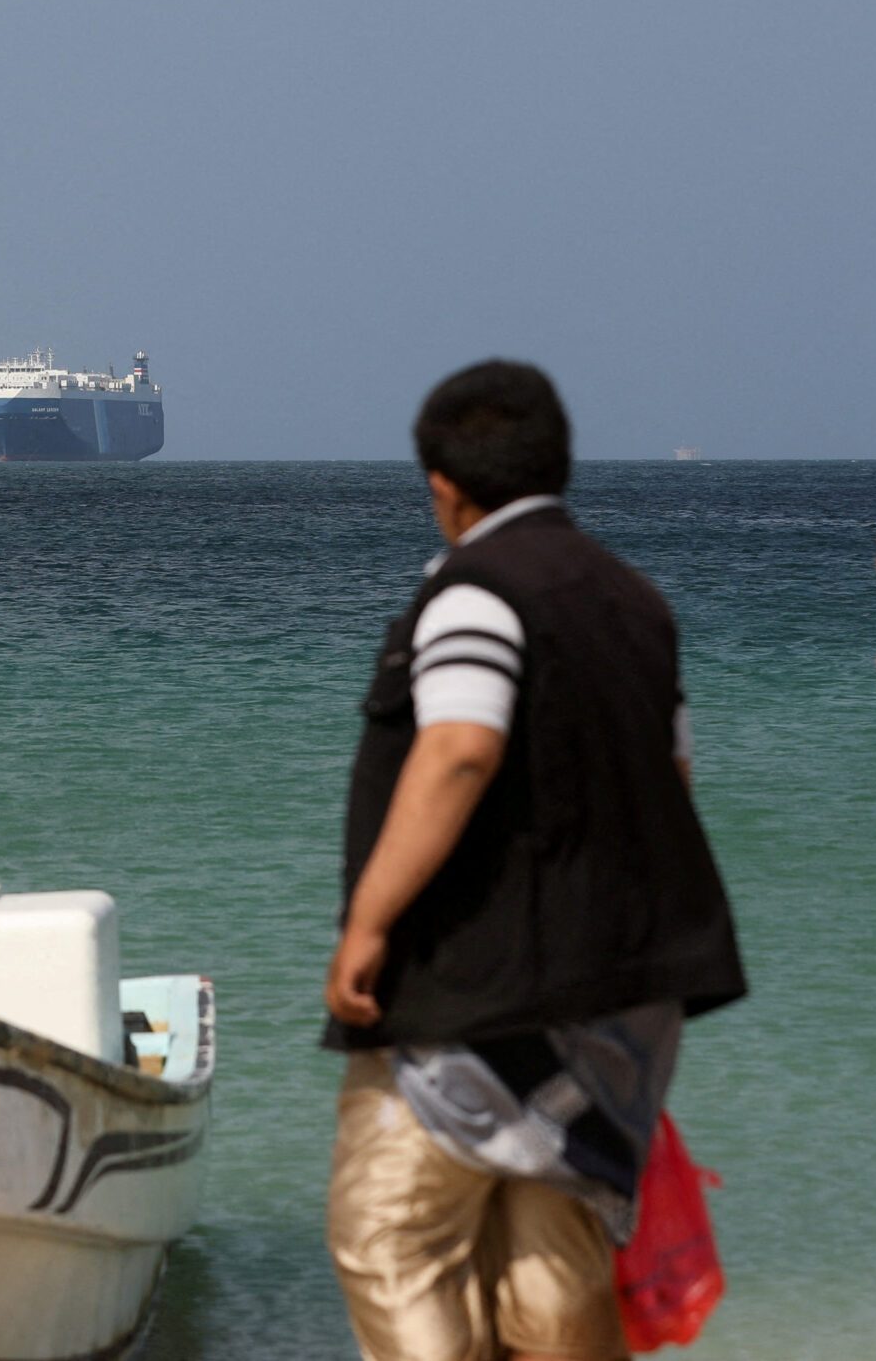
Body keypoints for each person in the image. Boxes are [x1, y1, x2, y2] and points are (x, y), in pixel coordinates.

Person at [321, 360, 747, 1361]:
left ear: (443, 488)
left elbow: (461, 747)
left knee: (390, 1239)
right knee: (554, 1273)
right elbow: (672, 778)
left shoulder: (472, 590)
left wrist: (370, 924)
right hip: (609, 1011)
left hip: (471, 996)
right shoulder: (635, 603)